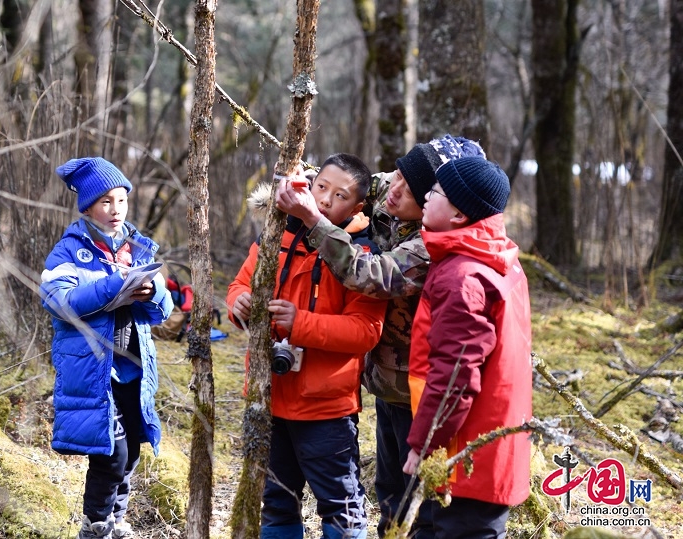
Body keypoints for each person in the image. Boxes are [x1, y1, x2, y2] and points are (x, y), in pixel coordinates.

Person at [275, 135, 486, 537]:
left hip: (417, 387)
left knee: (419, 497)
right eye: (399, 175)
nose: (395, 190)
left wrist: (313, 222)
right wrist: (310, 183)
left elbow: (373, 276)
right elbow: (348, 182)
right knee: (388, 490)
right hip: (381, 377)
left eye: (411, 189)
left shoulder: (432, 244)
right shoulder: (393, 183)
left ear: (437, 203)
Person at [227, 153, 388, 539]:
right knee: (277, 502)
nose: (328, 200)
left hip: (327, 408)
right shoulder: (275, 234)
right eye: (321, 188)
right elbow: (239, 284)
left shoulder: (362, 255)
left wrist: (301, 324)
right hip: (268, 397)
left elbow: (365, 331)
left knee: (341, 506)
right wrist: (239, 304)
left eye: (341, 195)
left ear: (359, 206)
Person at [40, 157, 174, 539]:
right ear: (87, 207)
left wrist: (153, 290)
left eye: (121, 200)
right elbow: (57, 300)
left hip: (133, 368)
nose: (116, 211)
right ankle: (94, 526)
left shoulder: (137, 247)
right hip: (93, 371)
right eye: (105, 202)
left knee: (131, 450)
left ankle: (117, 520)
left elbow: (161, 313)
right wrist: (113, 287)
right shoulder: (70, 250)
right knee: (110, 456)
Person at [402, 156, 532, 538]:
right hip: (478, 445)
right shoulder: (490, 258)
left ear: (459, 215)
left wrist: (424, 444)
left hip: (467, 454)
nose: (425, 195)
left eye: (437, 191)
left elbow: (455, 375)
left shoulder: (463, 278)